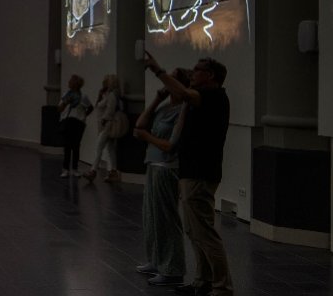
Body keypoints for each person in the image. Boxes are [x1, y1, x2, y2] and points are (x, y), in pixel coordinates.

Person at [144, 50, 231, 296]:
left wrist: (157, 69)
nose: (192, 73)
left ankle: (222, 287)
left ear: (210, 75)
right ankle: (202, 282)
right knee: (195, 231)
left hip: (201, 173)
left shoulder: (213, 96)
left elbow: (182, 93)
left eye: (198, 70)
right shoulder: (201, 97)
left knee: (204, 232)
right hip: (192, 171)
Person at [134, 68, 192, 287]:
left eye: (171, 80)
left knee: (166, 218)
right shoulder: (165, 107)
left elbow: (170, 145)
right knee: (151, 216)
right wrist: (157, 99)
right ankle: (157, 260)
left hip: (167, 168)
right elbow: (139, 125)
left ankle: (172, 269)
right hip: (153, 165)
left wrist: (147, 137)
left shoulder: (183, 110)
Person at [82, 73, 124, 184]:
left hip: (107, 125)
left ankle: (93, 171)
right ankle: (113, 172)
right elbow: (99, 105)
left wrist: (104, 120)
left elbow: (110, 110)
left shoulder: (111, 95)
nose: (103, 83)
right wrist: (100, 96)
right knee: (110, 149)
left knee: (98, 147)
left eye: (106, 81)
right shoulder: (108, 94)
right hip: (105, 125)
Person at [57, 74, 92, 178]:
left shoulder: (83, 97)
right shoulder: (66, 95)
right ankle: (66, 169)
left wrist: (83, 116)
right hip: (68, 121)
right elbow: (59, 109)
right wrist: (66, 102)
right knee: (67, 146)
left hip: (78, 123)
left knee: (76, 146)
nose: (69, 82)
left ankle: (75, 169)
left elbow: (90, 107)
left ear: (75, 84)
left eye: (71, 81)